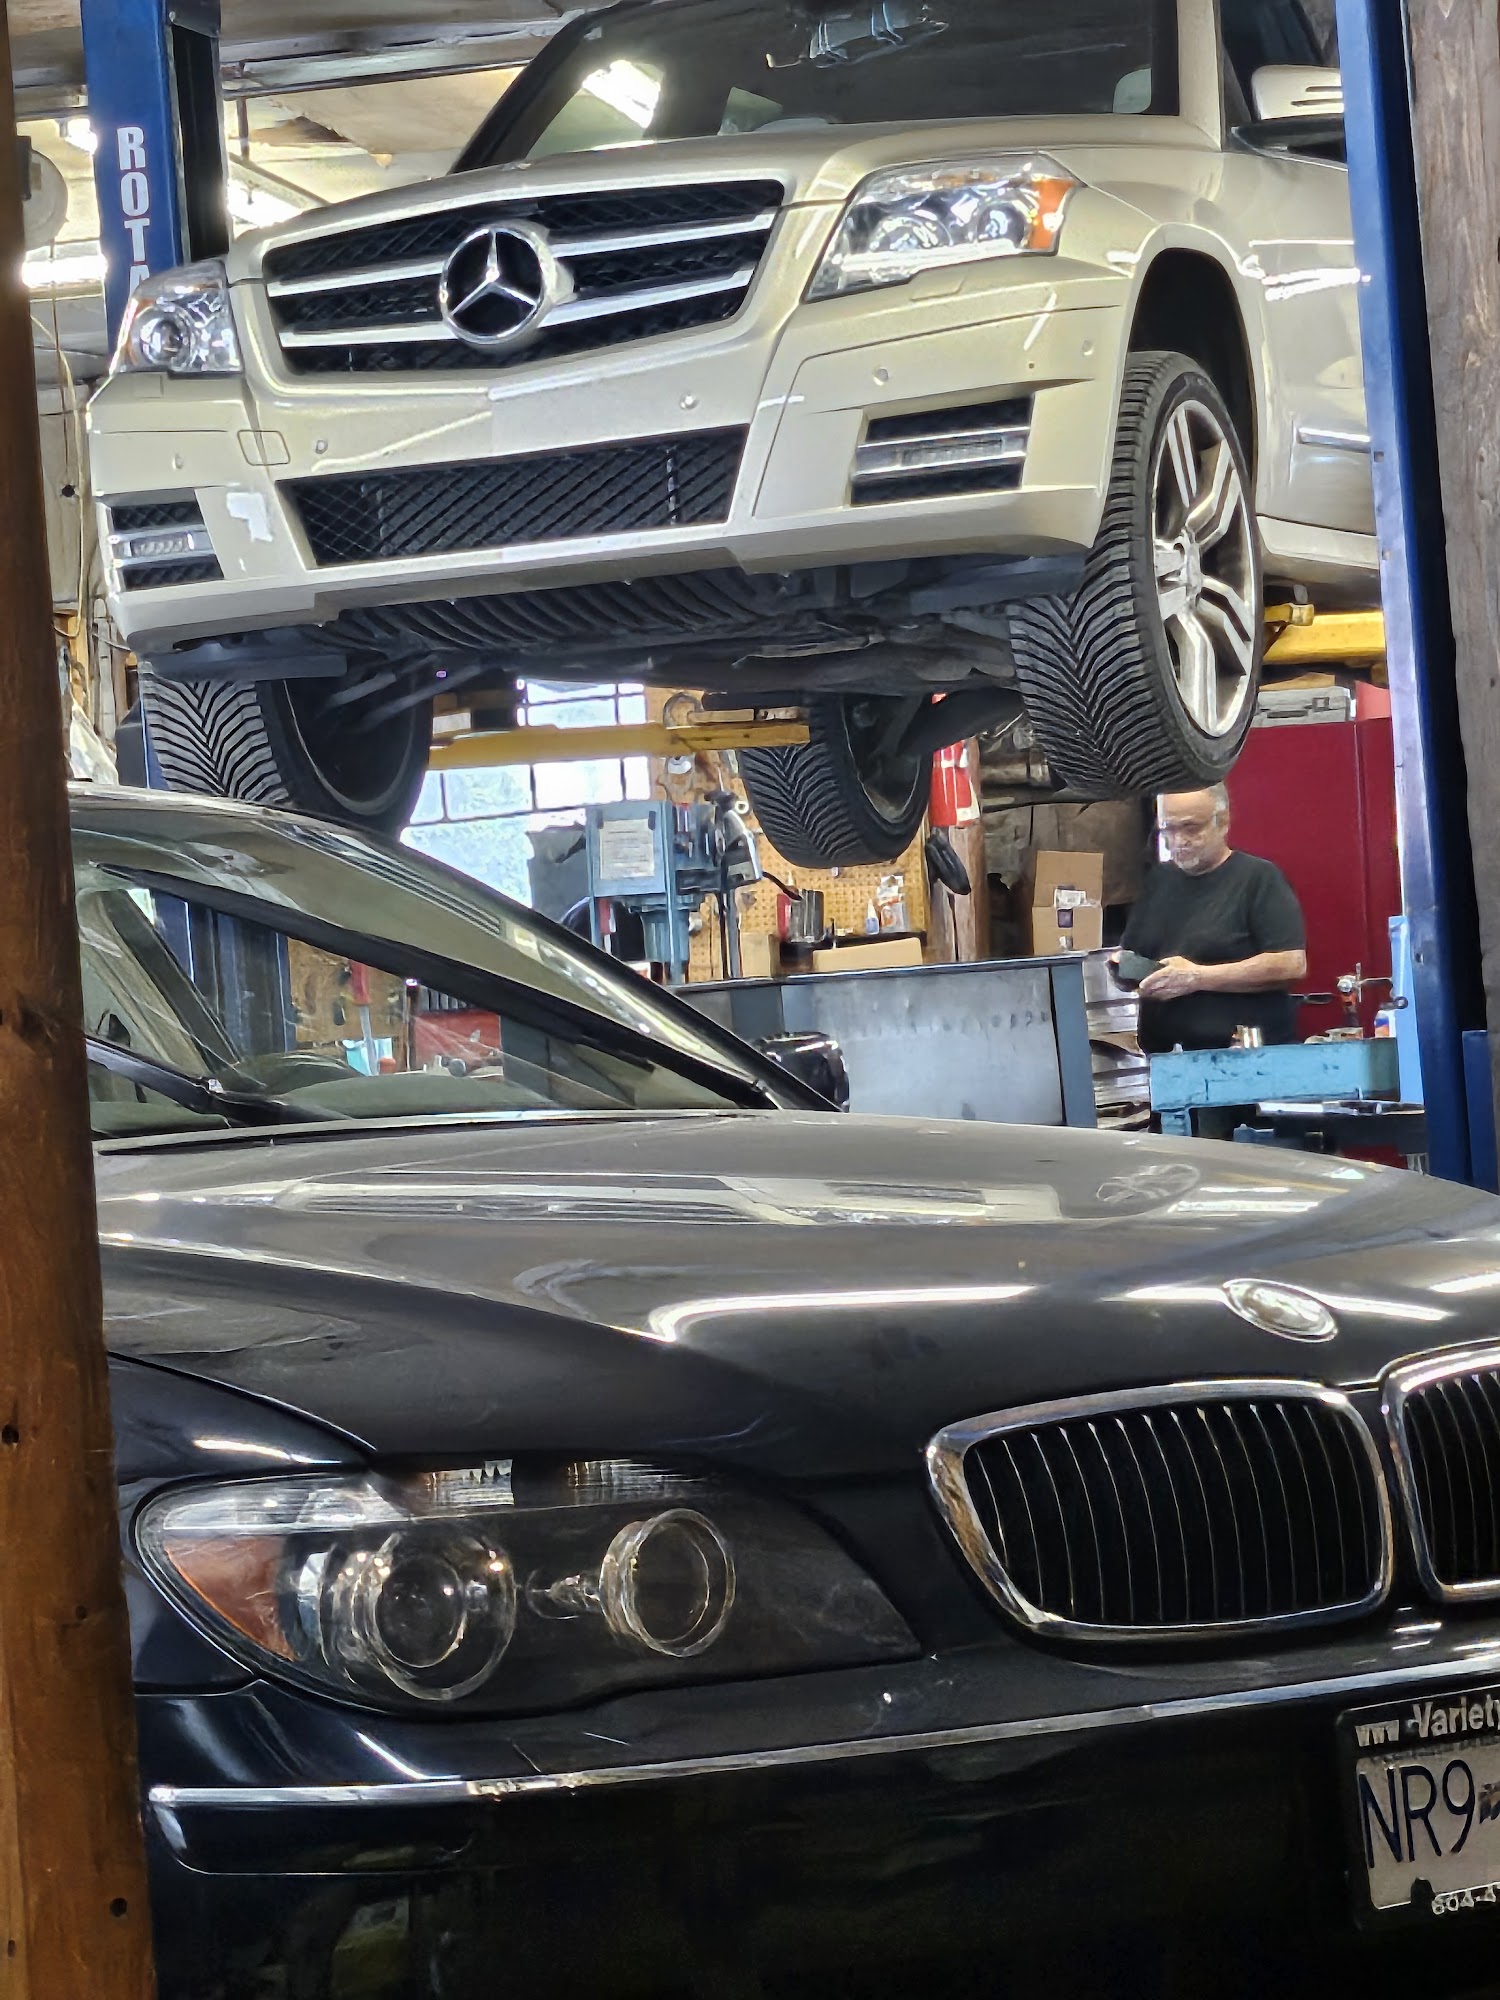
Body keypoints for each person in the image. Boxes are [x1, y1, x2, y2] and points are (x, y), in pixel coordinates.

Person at [1120, 785, 1307, 1055]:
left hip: (1243, 1057)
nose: (1179, 840)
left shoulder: (1259, 879)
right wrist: (1125, 970)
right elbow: (1136, 953)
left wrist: (1198, 977)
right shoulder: (1158, 881)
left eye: (1191, 828)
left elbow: (1290, 964)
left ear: (1223, 822)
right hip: (1169, 1057)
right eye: (1168, 829)